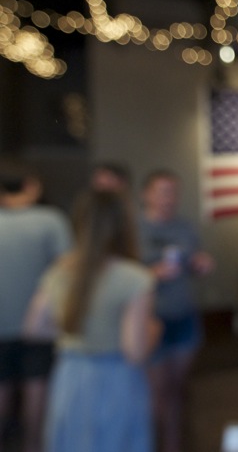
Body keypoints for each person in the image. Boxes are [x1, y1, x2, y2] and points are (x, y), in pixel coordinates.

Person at [23, 190, 160, 452]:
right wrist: (154, 329)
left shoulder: (60, 270)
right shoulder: (135, 278)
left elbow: (34, 328)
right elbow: (135, 351)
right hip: (116, 378)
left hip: (70, 376)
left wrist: (76, 331)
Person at [137, 169, 214, 452]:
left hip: (184, 315)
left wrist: (200, 263)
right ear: (146, 194)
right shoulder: (135, 228)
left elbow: (195, 260)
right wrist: (151, 272)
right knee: (156, 395)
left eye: (173, 192)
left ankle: (175, 443)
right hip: (149, 319)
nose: (169, 198)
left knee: (178, 390)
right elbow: (118, 274)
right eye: (162, 191)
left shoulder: (185, 228)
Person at [0, 158, 72, 452]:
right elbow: (68, 270)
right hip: (40, 328)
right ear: (32, 186)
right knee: (36, 401)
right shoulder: (51, 220)